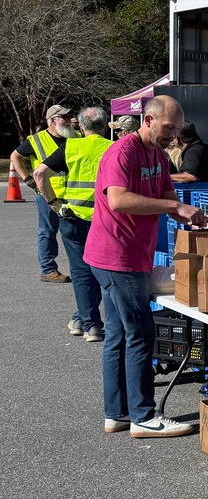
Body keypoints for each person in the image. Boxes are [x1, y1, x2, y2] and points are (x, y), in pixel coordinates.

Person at [84, 96, 208, 438]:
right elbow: (118, 199)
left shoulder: (157, 154)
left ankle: (117, 414)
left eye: (177, 128)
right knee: (140, 333)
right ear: (149, 120)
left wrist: (186, 212)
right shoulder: (122, 152)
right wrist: (172, 205)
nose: (173, 134)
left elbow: (168, 194)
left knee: (120, 336)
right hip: (116, 257)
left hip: (130, 256)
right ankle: (143, 415)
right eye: (168, 127)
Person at [33, 106, 113, 343]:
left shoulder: (70, 147)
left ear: (81, 126)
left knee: (81, 272)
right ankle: (88, 320)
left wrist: (53, 203)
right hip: (105, 219)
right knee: (104, 271)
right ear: (105, 124)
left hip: (73, 217)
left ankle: (89, 324)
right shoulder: (113, 148)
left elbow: (39, 174)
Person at [10, 104, 77, 282]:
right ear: (53, 121)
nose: (69, 120)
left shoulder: (74, 138)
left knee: (73, 232)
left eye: (69, 117)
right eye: (64, 117)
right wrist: (27, 178)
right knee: (47, 231)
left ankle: (80, 269)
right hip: (47, 194)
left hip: (71, 194)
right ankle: (48, 270)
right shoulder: (37, 140)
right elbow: (15, 156)